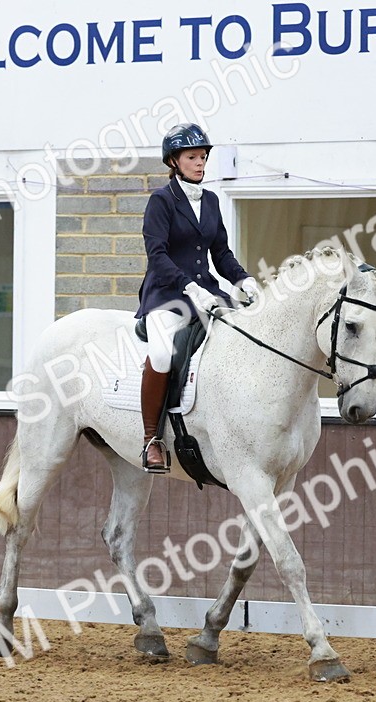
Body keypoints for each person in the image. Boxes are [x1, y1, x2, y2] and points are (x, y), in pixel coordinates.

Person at [135, 123, 260, 472]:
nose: (200, 163)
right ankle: (152, 440)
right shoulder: (161, 201)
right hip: (168, 294)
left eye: (203, 157)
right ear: (174, 161)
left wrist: (243, 278)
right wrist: (189, 286)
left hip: (207, 291)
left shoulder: (212, 200)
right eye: (192, 157)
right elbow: (156, 254)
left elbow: (220, 252)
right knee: (161, 353)